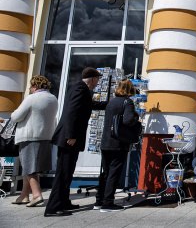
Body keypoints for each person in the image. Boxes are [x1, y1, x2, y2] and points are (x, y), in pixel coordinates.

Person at [44, 67, 108, 217]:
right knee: (63, 173)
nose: (98, 83)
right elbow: (72, 112)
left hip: (70, 138)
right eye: (98, 79)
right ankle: (53, 208)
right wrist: (71, 135)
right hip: (69, 138)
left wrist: (109, 104)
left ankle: (64, 201)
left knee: (68, 172)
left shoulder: (80, 88)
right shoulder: (80, 89)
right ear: (93, 79)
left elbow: (89, 106)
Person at [10, 75, 58, 207]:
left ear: (35, 86)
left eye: (31, 86)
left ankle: (36, 195)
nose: (30, 89)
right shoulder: (53, 98)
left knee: (29, 168)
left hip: (29, 136)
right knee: (30, 167)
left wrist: (13, 113)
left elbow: (16, 116)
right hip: (45, 137)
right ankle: (24, 195)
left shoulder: (32, 98)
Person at [94, 79, 139, 212]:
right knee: (114, 172)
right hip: (118, 143)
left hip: (105, 142)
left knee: (106, 173)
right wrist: (136, 116)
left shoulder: (111, 102)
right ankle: (108, 202)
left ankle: (99, 200)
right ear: (130, 89)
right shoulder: (127, 102)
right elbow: (128, 120)